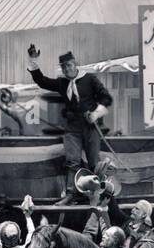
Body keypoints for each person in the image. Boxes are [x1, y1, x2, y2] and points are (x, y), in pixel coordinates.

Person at [26, 45, 113, 186]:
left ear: (75, 64)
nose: (67, 69)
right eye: (64, 67)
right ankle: (71, 193)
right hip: (72, 128)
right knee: (72, 161)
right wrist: (32, 60)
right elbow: (42, 81)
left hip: (91, 127)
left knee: (94, 163)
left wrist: (96, 114)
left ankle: (98, 193)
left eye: (69, 66)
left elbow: (106, 98)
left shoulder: (90, 79)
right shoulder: (62, 82)